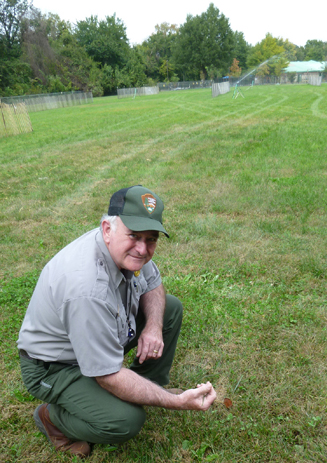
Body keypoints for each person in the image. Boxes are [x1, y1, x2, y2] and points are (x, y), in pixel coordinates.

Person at [17, 185, 216, 458]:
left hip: (101, 335)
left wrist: (153, 327)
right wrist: (176, 402)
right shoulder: (87, 288)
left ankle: (148, 388)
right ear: (107, 229)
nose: (143, 249)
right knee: (125, 421)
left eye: (151, 239)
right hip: (54, 367)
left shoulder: (126, 249)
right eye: (134, 236)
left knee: (169, 309)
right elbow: (107, 375)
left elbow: (154, 284)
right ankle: (52, 418)